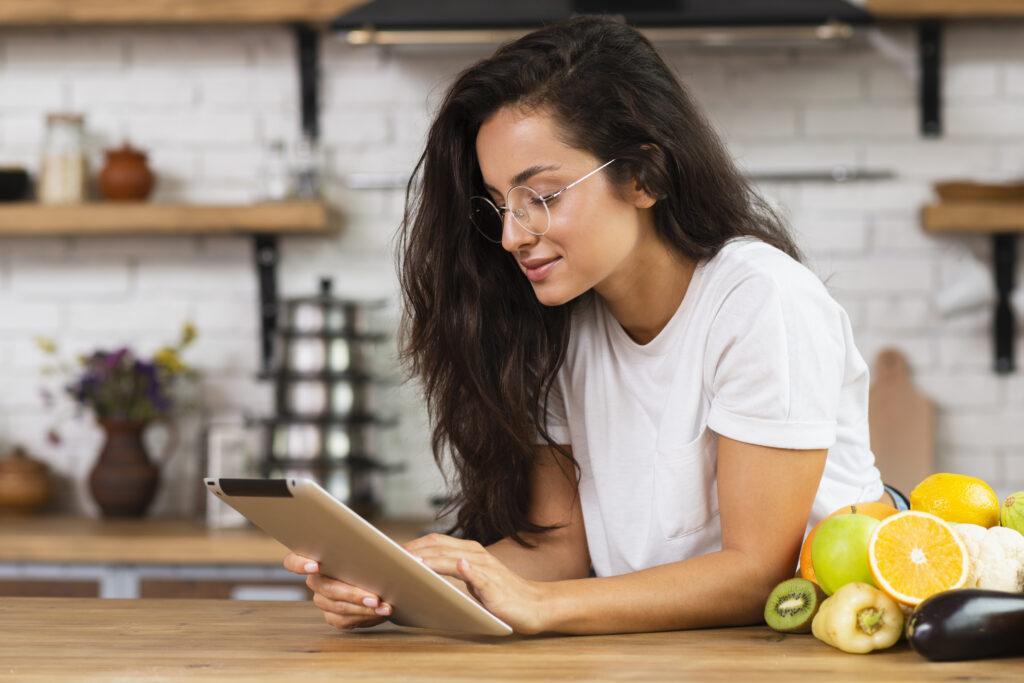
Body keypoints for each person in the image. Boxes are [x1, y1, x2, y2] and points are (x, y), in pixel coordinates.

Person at [284, 15, 908, 636]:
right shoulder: (562, 321)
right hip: (644, 653)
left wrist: (541, 607)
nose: (510, 235)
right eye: (500, 203)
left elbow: (758, 572)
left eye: (544, 197)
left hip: (788, 651)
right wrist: (402, 581)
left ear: (642, 175)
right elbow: (559, 552)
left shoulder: (760, 298)